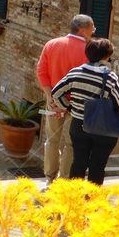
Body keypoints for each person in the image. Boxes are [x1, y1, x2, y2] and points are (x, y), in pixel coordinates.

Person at [51, 38, 119, 185]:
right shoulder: (110, 77)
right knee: (97, 165)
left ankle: (74, 194)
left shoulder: (75, 72)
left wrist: (68, 107)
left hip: (78, 125)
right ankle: (92, 197)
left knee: (78, 162)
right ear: (106, 56)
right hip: (103, 129)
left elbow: (56, 93)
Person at [36, 14, 94, 183]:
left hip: (53, 101)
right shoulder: (89, 50)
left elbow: (41, 72)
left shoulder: (51, 44)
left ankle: (50, 178)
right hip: (77, 105)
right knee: (71, 143)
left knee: (52, 140)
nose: (93, 31)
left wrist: (50, 97)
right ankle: (64, 179)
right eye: (92, 28)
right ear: (83, 30)